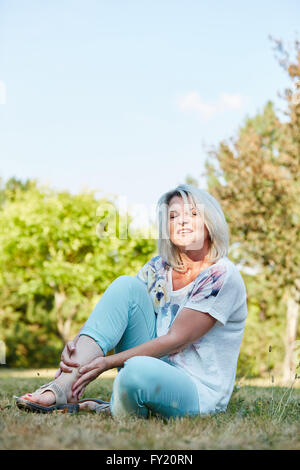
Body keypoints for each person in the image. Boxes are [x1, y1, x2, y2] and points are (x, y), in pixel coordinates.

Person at [16, 184, 247, 419]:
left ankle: (116, 406)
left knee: (135, 370)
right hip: (155, 365)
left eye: (193, 214)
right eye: (173, 216)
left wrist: (106, 363)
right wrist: (79, 343)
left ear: (210, 222)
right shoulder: (158, 268)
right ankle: (63, 388)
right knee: (125, 285)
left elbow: (176, 340)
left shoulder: (221, 275)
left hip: (196, 390)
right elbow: (119, 310)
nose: (182, 221)